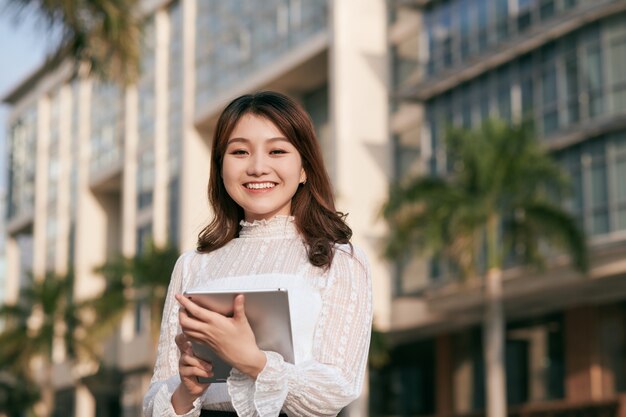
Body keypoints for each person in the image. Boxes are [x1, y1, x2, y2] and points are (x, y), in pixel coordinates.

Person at [143, 91, 372, 417]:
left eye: (277, 151)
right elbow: (156, 397)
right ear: (221, 168)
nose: (258, 167)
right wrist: (186, 391)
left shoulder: (341, 260)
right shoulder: (193, 265)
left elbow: (336, 388)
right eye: (239, 152)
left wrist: (251, 360)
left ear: (304, 168)